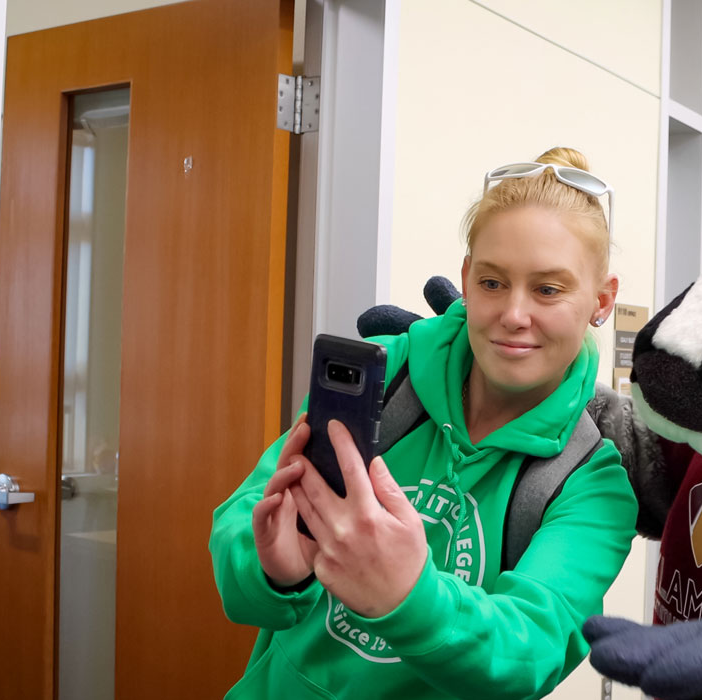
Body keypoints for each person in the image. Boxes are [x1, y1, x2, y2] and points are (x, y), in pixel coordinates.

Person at [210, 147, 638, 699]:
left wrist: (408, 596)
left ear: (601, 300)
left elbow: (530, 648)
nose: (513, 313)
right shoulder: (386, 380)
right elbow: (240, 525)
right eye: (492, 283)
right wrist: (275, 571)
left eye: (548, 289)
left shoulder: (590, 485)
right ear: (465, 278)